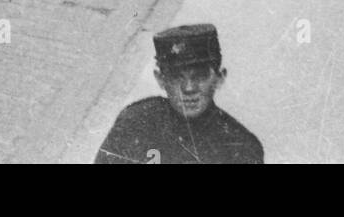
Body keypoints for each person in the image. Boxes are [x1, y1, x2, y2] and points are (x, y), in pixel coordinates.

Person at [95, 24, 263, 165]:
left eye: (200, 76)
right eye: (176, 76)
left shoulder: (240, 147)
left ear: (219, 78)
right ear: (161, 79)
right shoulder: (136, 123)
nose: (189, 88)